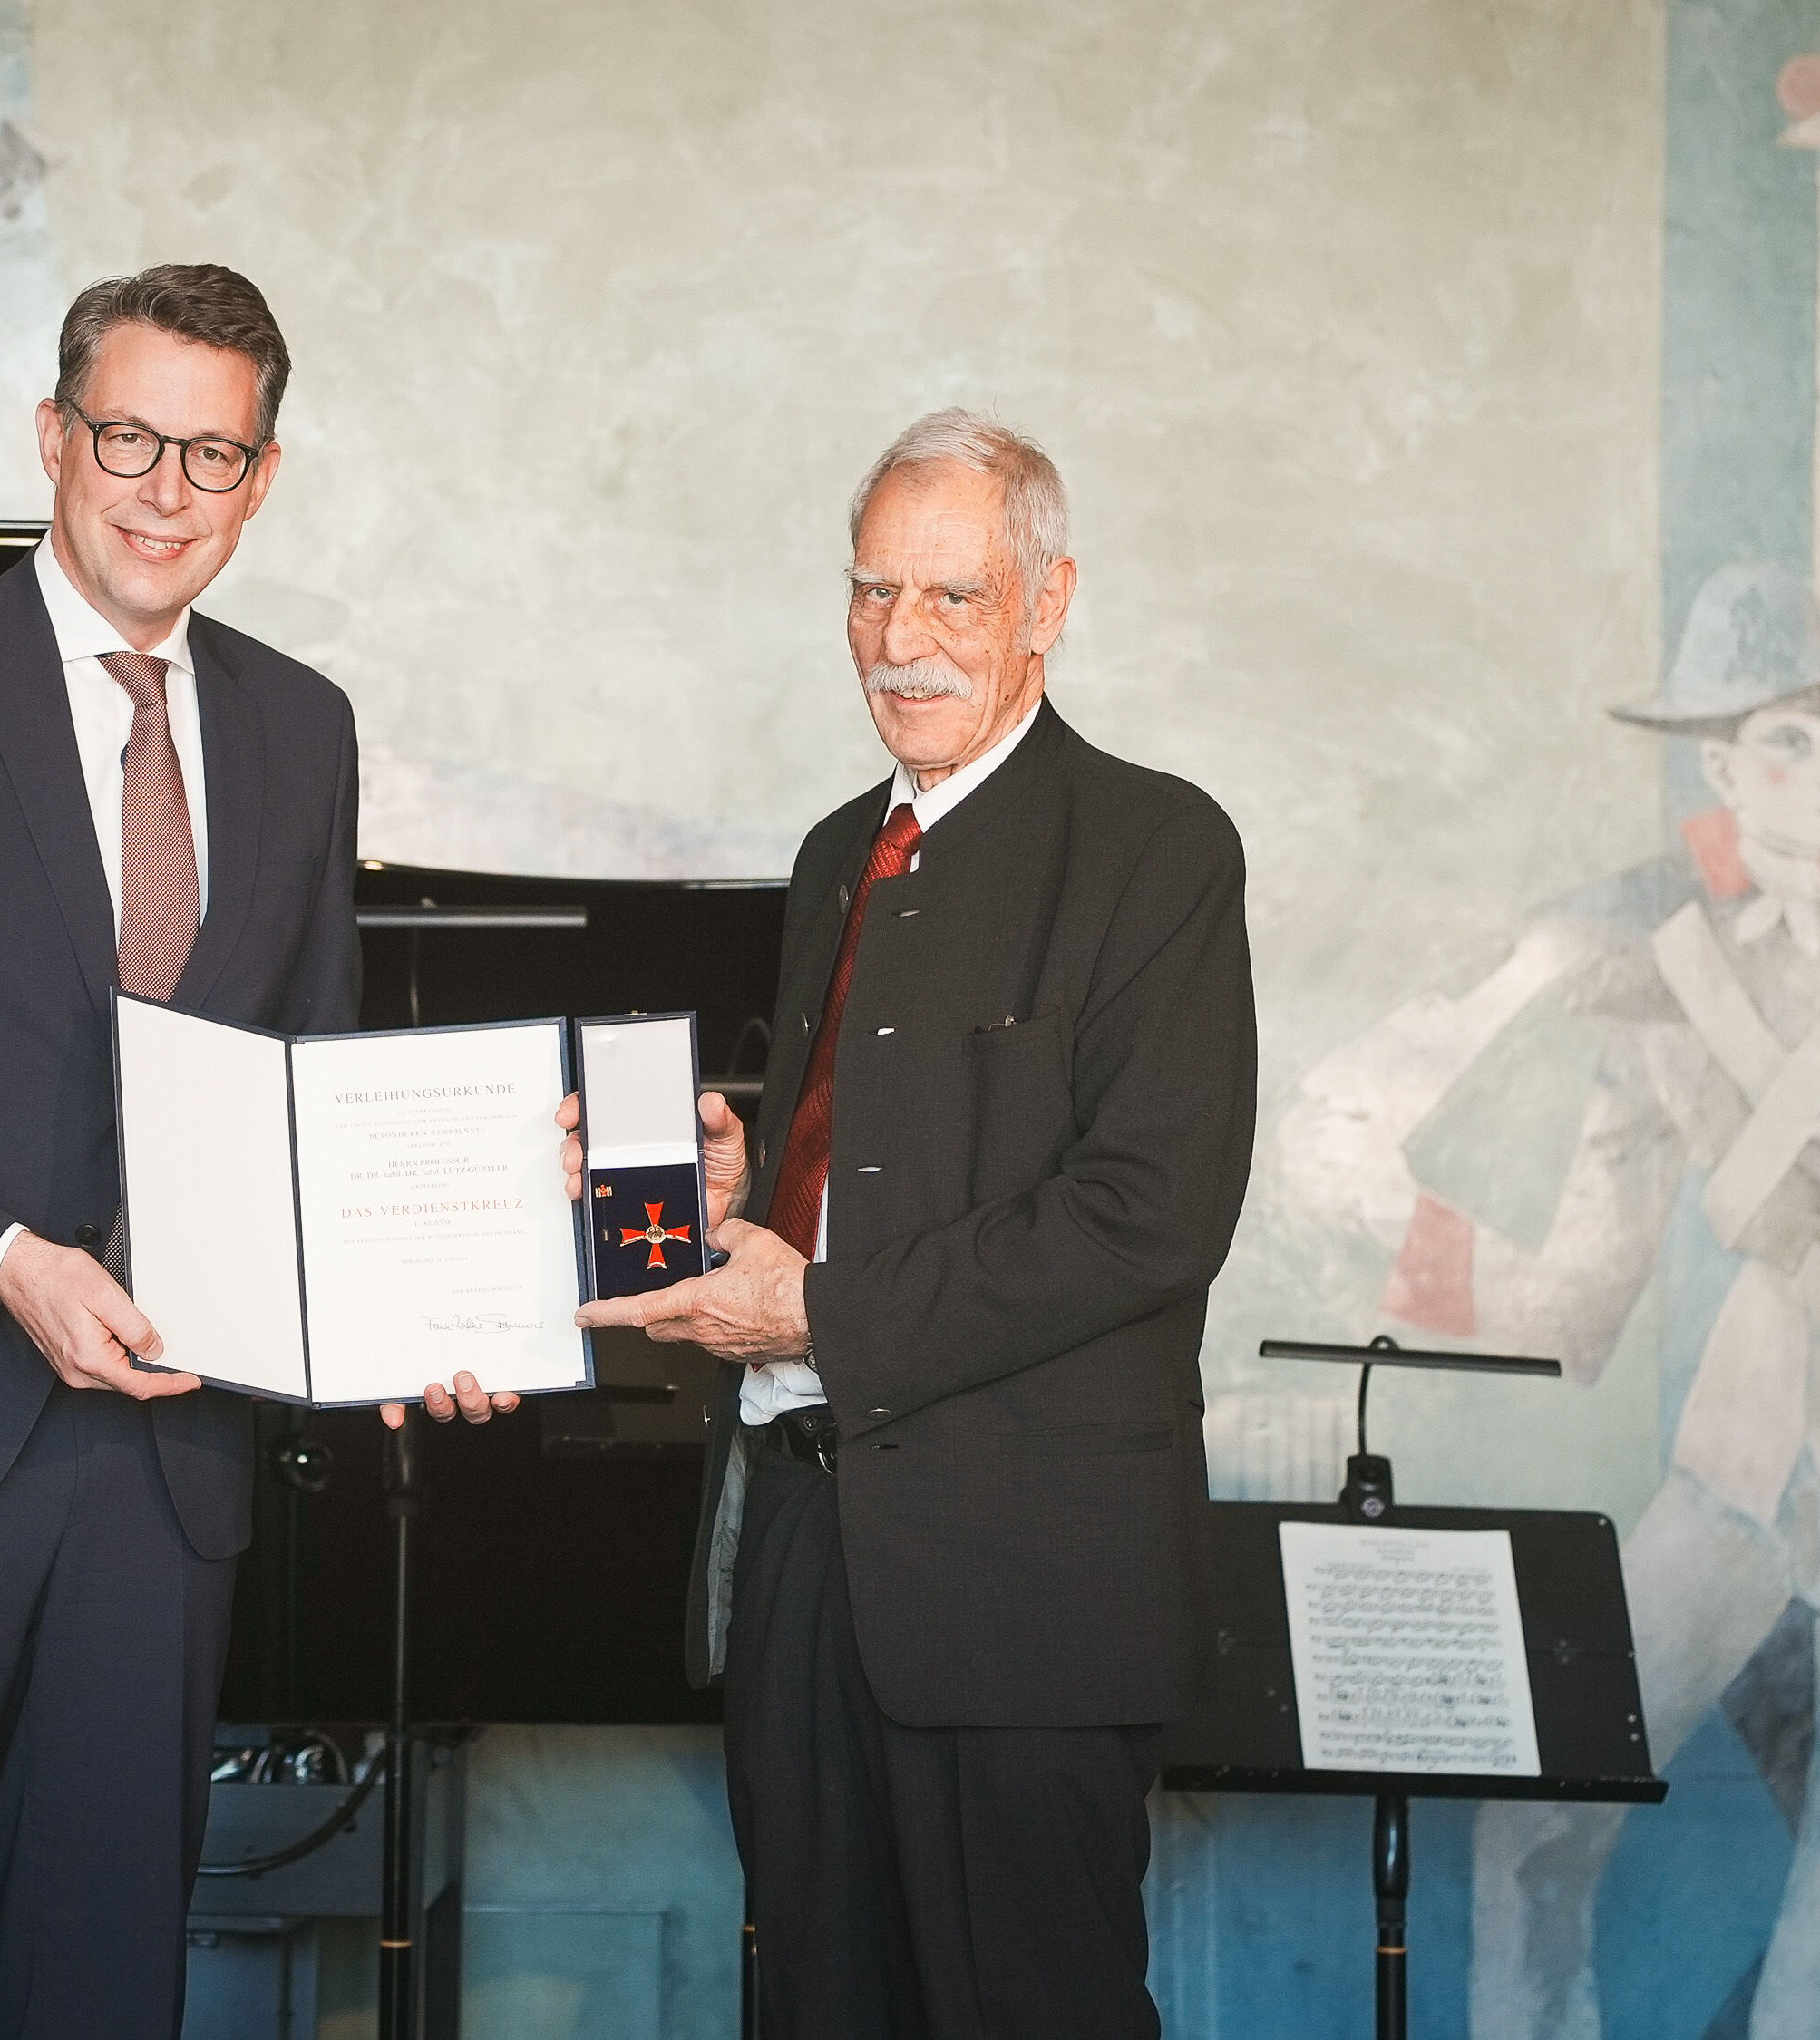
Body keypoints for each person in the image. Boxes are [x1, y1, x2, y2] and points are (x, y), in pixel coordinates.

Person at [0, 263, 503, 2040]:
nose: (164, 490)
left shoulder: (302, 727)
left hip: (163, 1476)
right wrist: (5, 1260)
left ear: (263, 480)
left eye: (215, 456)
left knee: (106, 1989)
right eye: (130, 436)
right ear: (56, 437)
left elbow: (312, 1089)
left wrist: (426, 1309)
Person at [570, 410, 1258, 2038]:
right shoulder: (834, 852)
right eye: (875, 591)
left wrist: (817, 1311)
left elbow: (1150, 1214)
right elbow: (864, 1175)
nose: (900, 638)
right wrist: (747, 1194)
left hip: (1028, 1587)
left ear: (1050, 599)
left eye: (952, 596)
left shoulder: (1160, 846)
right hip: (802, 1556)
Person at [1282, 562, 1820, 2036]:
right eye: (1791, 738)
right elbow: (1585, 1275)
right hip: (1744, 1457)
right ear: (1720, 765)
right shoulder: (1661, 957)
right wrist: (1375, 1234)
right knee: (1544, 1813)